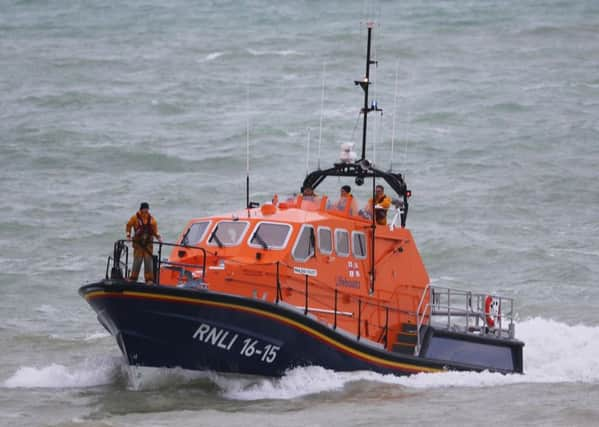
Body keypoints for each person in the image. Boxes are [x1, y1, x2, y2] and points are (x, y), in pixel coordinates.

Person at [126, 202, 162, 284]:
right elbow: (128, 225)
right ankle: (133, 278)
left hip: (148, 245)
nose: (146, 210)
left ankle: (149, 280)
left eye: (147, 209)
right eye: (144, 209)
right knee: (137, 261)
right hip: (138, 244)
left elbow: (155, 231)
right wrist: (128, 235)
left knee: (148, 262)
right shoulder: (134, 218)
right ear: (141, 209)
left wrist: (159, 238)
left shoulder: (152, 220)